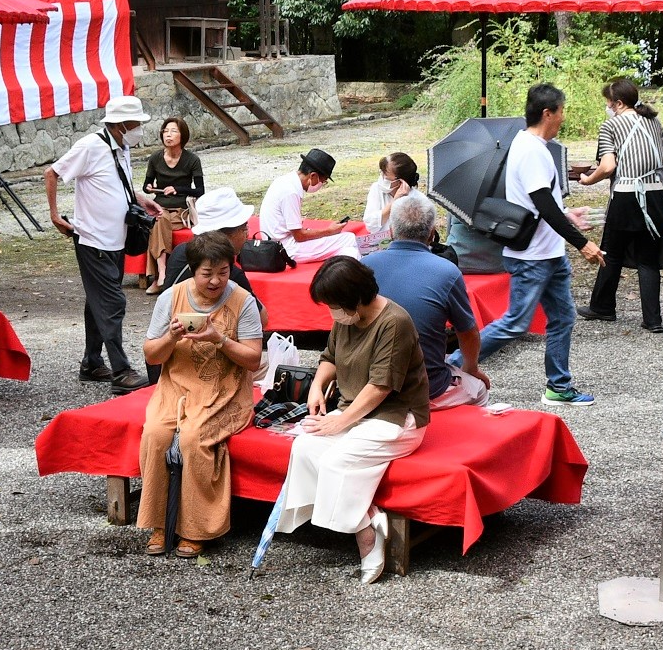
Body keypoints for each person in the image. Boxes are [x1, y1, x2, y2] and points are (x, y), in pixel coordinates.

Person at [278, 258, 432, 584]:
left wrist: (340, 422)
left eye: (335, 305)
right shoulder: (348, 317)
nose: (332, 312)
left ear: (356, 299)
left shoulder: (395, 322)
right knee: (305, 445)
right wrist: (317, 388)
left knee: (336, 459)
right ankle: (368, 519)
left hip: (397, 417)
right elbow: (329, 357)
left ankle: (366, 538)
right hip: (355, 410)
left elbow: (381, 386)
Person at [475, 83, 605, 406]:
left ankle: (558, 385)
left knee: (563, 317)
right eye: (560, 111)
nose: (563, 117)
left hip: (550, 254)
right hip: (532, 257)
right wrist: (583, 244)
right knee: (516, 323)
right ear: (547, 113)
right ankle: (447, 366)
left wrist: (568, 214)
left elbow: (545, 204)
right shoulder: (531, 150)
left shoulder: (533, 144)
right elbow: (544, 206)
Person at [137, 231, 264, 558]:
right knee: (155, 434)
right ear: (194, 270)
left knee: (193, 438)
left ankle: (196, 529)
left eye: (223, 272)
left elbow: (253, 359)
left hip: (226, 390)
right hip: (177, 385)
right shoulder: (172, 297)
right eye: (207, 274)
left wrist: (219, 338)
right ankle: (159, 524)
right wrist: (171, 338)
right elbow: (152, 355)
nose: (215, 281)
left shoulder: (242, 301)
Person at [46, 94, 159, 393]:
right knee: (113, 302)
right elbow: (52, 173)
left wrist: (141, 199)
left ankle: (92, 362)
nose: (139, 129)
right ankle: (121, 371)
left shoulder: (120, 146)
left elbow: (116, 184)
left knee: (98, 300)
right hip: (93, 238)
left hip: (116, 239)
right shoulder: (91, 146)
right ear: (121, 123)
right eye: (136, 123)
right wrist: (55, 215)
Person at [366, 194, 488, 409]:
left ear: (392, 231)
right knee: (479, 389)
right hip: (425, 387)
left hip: (366, 384)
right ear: (432, 234)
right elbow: (468, 332)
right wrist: (471, 368)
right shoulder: (446, 271)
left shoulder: (363, 265)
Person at [576, 79, 663, 331]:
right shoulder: (654, 122)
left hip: (627, 195)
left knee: (612, 252)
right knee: (648, 259)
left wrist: (587, 180)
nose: (607, 107)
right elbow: (662, 159)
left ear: (617, 103)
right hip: (656, 195)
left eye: (608, 102)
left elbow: (608, 166)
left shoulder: (611, 125)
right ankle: (653, 320)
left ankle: (602, 307)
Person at [258, 147, 361, 263]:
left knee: (348, 250)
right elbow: (299, 236)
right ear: (313, 176)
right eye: (323, 181)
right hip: (286, 248)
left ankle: (345, 268)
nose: (322, 184)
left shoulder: (285, 181)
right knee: (348, 238)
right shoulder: (291, 192)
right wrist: (329, 231)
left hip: (280, 241)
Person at [139, 117, 205, 294]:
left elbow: (200, 190)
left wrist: (177, 189)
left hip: (181, 210)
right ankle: (162, 274)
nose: (168, 135)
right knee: (160, 219)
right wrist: (150, 188)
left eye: (173, 131)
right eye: (165, 131)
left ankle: (159, 277)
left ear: (182, 135)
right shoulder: (155, 158)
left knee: (159, 223)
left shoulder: (192, 160)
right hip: (159, 206)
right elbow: (146, 185)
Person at [168, 186, 255, 291]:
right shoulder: (229, 275)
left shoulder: (180, 250)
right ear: (228, 235)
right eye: (244, 227)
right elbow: (255, 307)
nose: (247, 234)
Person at [362, 152, 420, 246]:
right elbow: (370, 225)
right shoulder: (376, 188)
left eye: (385, 175)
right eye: (381, 172)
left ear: (400, 181)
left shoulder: (417, 199)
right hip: (379, 245)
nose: (382, 177)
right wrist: (394, 202)